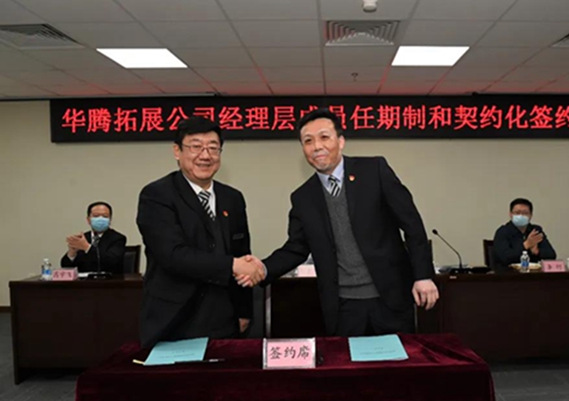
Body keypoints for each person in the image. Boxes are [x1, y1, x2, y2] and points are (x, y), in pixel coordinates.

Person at [238, 109, 438, 337]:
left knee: (397, 359)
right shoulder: (303, 197)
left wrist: (423, 275)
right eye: (308, 141)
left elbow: (412, 224)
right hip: (343, 306)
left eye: (324, 137)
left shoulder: (374, 170)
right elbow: (296, 248)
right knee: (345, 360)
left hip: (390, 298)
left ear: (341, 141)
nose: (317, 146)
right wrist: (263, 268)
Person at [136, 117, 262, 348]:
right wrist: (231, 265)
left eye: (213, 148)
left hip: (224, 317)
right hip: (174, 318)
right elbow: (172, 255)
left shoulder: (233, 198)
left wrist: (244, 311)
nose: (205, 155)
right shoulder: (157, 195)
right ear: (177, 151)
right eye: (196, 146)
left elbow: (242, 253)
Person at [61, 201, 126, 273]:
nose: (100, 219)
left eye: (105, 216)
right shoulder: (83, 238)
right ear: (88, 220)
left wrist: (87, 247)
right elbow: (65, 267)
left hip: (109, 279)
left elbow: (111, 262)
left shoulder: (117, 238)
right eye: (96, 216)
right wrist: (72, 253)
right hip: (84, 279)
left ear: (110, 220)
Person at [492, 198, 556, 270]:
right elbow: (505, 257)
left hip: (534, 273)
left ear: (530, 215)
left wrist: (537, 251)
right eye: (517, 213)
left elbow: (552, 255)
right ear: (510, 214)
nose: (521, 216)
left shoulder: (535, 231)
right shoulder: (503, 232)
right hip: (509, 274)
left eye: (525, 213)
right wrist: (526, 245)